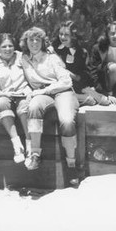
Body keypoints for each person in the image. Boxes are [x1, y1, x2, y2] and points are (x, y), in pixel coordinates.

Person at [19, 27, 80, 185]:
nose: (34, 43)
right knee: (33, 106)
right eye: (31, 39)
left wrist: (44, 90)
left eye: (37, 40)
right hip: (43, 95)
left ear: (43, 42)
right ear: (25, 42)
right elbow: (23, 79)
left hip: (62, 91)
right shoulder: (24, 59)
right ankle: (35, 154)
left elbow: (66, 81)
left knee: (66, 121)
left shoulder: (52, 58)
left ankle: (71, 164)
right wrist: (28, 91)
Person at [0, 33, 32, 163]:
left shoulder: (22, 57)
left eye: (10, 46)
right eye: (4, 46)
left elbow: (31, 77)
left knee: (24, 106)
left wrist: (28, 92)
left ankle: (29, 145)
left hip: (23, 93)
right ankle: (17, 145)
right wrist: (5, 94)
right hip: (5, 95)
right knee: (1, 104)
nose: (8, 49)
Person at [52, 20, 116, 106]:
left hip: (78, 83)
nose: (62, 37)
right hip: (62, 84)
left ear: (73, 36)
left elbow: (87, 73)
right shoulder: (56, 49)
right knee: (89, 100)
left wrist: (104, 94)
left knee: (103, 101)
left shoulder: (81, 51)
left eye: (66, 34)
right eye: (61, 34)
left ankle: (89, 96)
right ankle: (83, 98)